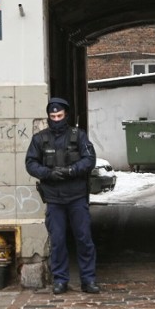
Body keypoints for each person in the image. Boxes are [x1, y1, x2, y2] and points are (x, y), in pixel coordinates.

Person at [25, 97, 100, 295]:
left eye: (59, 115)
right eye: (53, 116)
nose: (56, 119)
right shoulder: (40, 139)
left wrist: (71, 171)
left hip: (76, 196)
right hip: (54, 198)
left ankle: (88, 279)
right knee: (57, 241)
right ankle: (60, 280)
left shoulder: (78, 136)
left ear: (65, 115)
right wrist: (48, 173)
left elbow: (89, 159)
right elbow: (31, 163)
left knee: (84, 239)